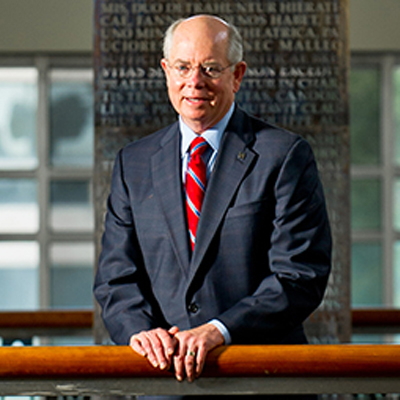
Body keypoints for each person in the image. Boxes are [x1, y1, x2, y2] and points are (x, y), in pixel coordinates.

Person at [94, 14, 332, 399]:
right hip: (163, 383)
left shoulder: (285, 156)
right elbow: (115, 278)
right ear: (166, 71)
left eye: (210, 68)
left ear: (237, 75)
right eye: (184, 67)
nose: (195, 82)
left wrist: (219, 329)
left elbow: (299, 275)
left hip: (260, 382)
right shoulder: (132, 163)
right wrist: (141, 331)